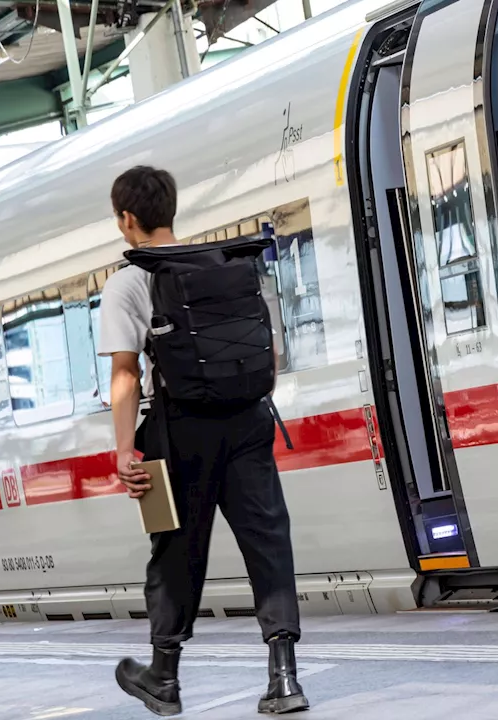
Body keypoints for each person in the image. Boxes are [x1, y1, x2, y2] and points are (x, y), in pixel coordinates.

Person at [98, 166, 309, 716]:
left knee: (174, 547)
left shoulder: (129, 281)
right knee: (268, 542)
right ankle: (284, 678)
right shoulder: (225, 266)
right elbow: (270, 353)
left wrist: (125, 449)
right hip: (248, 419)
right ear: (171, 210)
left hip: (179, 427)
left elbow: (125, 373)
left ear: (127, 219)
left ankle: (164, 676)